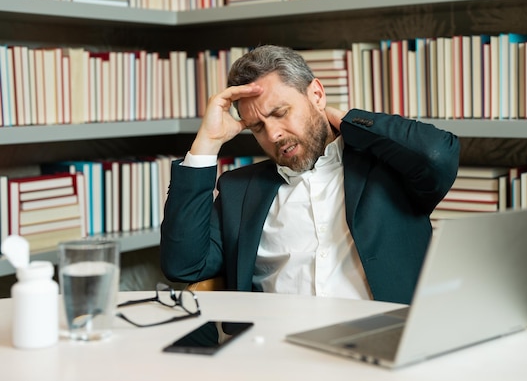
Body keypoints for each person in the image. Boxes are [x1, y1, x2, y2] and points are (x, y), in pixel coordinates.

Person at [160, 44, 460, 305]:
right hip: (278, 355)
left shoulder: (388, 169)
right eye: (258, 127)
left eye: (280, 113)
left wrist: (346, 120)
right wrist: (206, 143)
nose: (274, 134)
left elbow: (436, 155)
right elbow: (184, 266)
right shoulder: (239, 190)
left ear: (316, 94)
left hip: (383, 349)